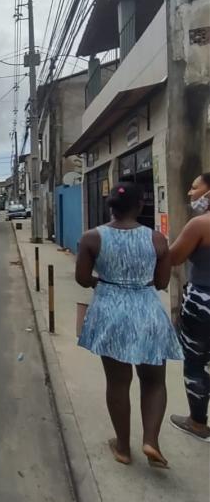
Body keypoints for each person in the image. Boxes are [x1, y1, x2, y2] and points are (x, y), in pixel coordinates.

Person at [75, 181, 183, 468]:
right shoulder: (157, 239)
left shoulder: (91, 238)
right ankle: (151, 441)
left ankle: (123, 448)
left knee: (118, 383)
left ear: (110, 206)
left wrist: (106, 282)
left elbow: (83, 279)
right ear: (140, 206)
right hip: (147, 314)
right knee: (154, 381)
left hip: (110, 313)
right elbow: (161, 282)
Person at [168, 172, 210, 442]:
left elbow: (174, 257)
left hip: (203, 302)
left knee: (195, 362)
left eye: (195, 188)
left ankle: (197, 423)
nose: (190, 193)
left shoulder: (200, 225)